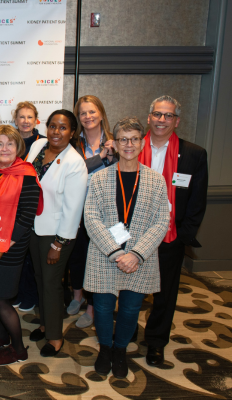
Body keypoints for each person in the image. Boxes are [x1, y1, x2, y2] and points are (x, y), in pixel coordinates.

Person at [84, 117, 170, 378]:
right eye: (123, 139)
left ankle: (120, 350)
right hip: (104, 254)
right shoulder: (100, 179)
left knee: (132, 309)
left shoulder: (156, 180)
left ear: (142, 143)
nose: (129, 144)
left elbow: (162, 221)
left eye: (134, 139)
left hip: (140, 259)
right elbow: (91, 217)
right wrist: (117, 252)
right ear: (115, 143)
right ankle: (105, 349)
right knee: (102, 308)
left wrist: (135, 254)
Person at [141, 96, 208, 366]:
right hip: (132, 233)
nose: (161, 120)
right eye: (157, 114)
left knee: (164, 294)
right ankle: (124, 333)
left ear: (177, 121)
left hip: (170, 236)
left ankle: (156, 342)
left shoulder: (193, 154)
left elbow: (197, 200)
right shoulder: (131, 147)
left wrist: (182, 236)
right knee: (125, 289)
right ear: (149, 117)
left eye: (168, 116)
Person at [0, 125, 41, 366]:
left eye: (9, 144)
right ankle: (1, 337)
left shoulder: (27, 174)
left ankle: (18, 349)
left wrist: (5, 243)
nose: (4, 148)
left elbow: (27, 216)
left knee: (1, 298)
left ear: (18, 147)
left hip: (10, 245)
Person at [26, 110, 88, 357]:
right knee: (40, 279)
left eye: (63, 128)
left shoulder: (75, 163)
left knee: (51, 284)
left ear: (72, 132)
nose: (56, 132)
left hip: (56, 235)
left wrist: (59, 244)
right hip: (34, 227)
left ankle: (55, 337)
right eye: (52, 126)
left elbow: (73, 210)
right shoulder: (39, 145)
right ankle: (44, 323)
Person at [67, 95, 116, 329]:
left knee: (98, 261)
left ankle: (92, 307)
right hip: (77, 210)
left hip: (105, 213)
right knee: (77, 258)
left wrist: (108, 154)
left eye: (92, 112)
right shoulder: (73, 144)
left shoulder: (115, 143)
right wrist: (100, 158)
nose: (88, 117)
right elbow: (73, 172)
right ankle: (77, 296)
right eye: (83, 113)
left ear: (101, 113)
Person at [11, 101, 43, 313]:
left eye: (29, 117)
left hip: (36, 203)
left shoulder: (45, 143)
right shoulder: (9, 141)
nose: (25, 121)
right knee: (15, 253)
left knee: (32, 256)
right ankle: (17, 292)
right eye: (21, 117)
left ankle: (30, 295)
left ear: (36, 120)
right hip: (12, 204)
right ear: (15, 120)